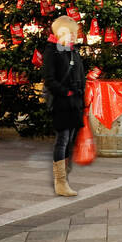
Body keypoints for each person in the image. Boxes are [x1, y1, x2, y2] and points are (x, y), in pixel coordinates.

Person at [42, 15, 86, 197]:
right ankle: (60, 182)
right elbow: (49, 78)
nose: (74, 36)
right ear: (60, 33)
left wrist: (80, 93)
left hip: (75, 103)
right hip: (62, 103)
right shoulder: (53, 51)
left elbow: (80, 74)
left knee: (70, 142)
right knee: (62, 140)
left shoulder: (71, 50)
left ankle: (65, 180)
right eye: (71, 33)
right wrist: (65, 92)